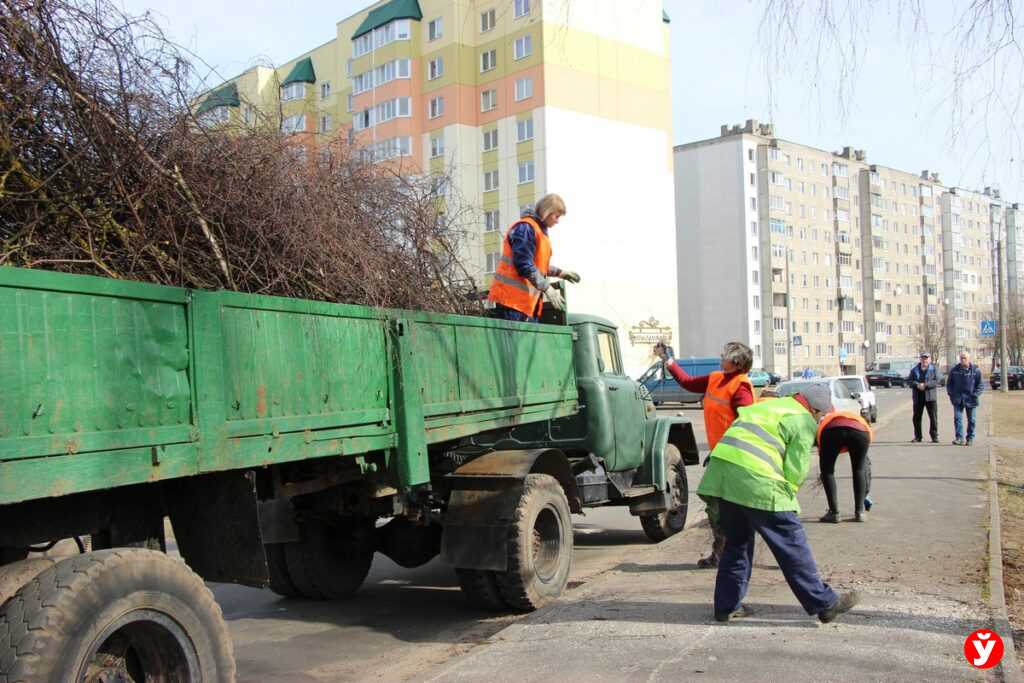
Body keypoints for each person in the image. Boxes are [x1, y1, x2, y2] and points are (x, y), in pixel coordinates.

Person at [696, 382, 859, 623]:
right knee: (791, 540)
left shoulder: (771, 405)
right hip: (755, 478)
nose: (820, 419)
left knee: (737, 543)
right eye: (821, 415)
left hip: (721, 478)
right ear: (815, 409)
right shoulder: (802, 420)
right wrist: (787, 503)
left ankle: (726, 606)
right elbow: (795, 471)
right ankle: (825, 603)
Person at [656, 342, 754, 569]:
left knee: (723, 505)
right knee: (715, 503)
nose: (721, 356)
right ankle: (722, 553)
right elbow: (687, 382)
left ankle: (730, 554)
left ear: (737, 363)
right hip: (720, 455)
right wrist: (668, 360)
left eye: (726, 355)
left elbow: (746, 424)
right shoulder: (715, 378)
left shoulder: (741, 388)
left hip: (734, 457)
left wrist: (724, 451)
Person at [487, 194, 579, 323]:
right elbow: (524, 265)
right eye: (556, 216)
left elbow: (538, 265)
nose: (557, 221)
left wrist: (560, 273)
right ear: (547, 212)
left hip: (523, 303)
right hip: (512, 301)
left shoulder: (537, 231)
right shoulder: (526, 228)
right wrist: (548, 288)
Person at [816, 410, 873, 523]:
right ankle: (860, 512)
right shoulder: (862, 422)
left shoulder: (826, 422)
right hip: (860, 432)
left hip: (832, 431)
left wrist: (824, 469)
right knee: (859, 469)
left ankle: (834, 513)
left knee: (827, 470)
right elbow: (866, 463)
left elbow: (821, 451)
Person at [946, 352, 984, 445]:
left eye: (965, 358)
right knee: (957, 418)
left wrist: (975, 394)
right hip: (958, 398)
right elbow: (949, 383)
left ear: (969, 359)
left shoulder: (975, 370)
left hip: (971, 398)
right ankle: (959, 437)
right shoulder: (954, 370)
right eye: (961, 358)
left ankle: (970, 438)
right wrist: (951, 394)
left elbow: (980, 385)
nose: (963, 360)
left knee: (972, 420)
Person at [907, 352, 941, 443]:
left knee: (933, 417)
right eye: (923, 358)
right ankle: (918, 436)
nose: (924, 360)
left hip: (930, 397)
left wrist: (926, 385)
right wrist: (917, 385)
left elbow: (937, 381)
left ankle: (934, 436)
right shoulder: (914, 370)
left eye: (926, 358)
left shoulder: (934, 369)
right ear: (920, 359)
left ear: (929, 359)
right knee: (916, 418)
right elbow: (909, 381)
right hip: (918, 397)